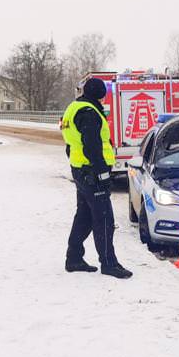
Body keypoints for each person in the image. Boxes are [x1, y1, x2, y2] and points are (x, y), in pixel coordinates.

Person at [61, 78, 133, 279]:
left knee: (84, 216)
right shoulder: (90, 113)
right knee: (104, 219)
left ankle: (74, 258)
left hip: (81, 169)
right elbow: (91, 146)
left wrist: (78, 167)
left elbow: (70, 143)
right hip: (92, 172)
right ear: (100, 94)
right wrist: (101, 173)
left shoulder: (73, 108)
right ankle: (109, 264)